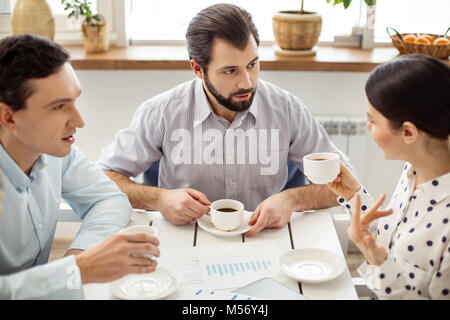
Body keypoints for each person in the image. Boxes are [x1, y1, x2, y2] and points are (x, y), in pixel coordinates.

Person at [97, 3, 355, 237]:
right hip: (184, 240)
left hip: (265, 239)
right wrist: (158, 199)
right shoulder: (162, 113)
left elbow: (345, 183)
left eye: (252, 64)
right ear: (198, 69)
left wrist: (292, 200)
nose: (247, 82)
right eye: (230, 70)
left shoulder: (287, 110)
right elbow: (105, 177)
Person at [0, 34, 160, 299]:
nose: (79, 120)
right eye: (58, 107)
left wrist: (78, 257)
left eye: (74, 100)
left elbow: (110, 198)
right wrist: (77, 271)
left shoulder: (56, 153)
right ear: (8, 116)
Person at [328, 54, 450, 299]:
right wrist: (352, 194)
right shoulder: (413, 170)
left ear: (408, 132)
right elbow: (392, 241)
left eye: (372, 120)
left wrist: (376, 260)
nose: (368, 126)